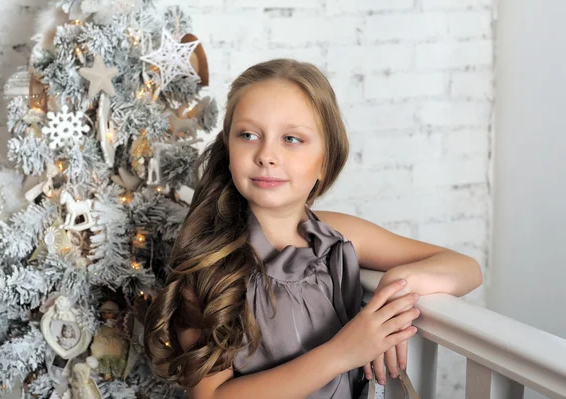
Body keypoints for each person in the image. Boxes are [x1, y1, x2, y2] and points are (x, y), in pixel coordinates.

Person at [143, 58, 483, 398]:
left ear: (326, 159)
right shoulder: (211, 263)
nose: (266, 155)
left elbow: (466, 268)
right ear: (229, 147)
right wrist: (343, 352)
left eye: (291, 139)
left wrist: (398, 285)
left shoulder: (336, 237)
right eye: (248, 135)